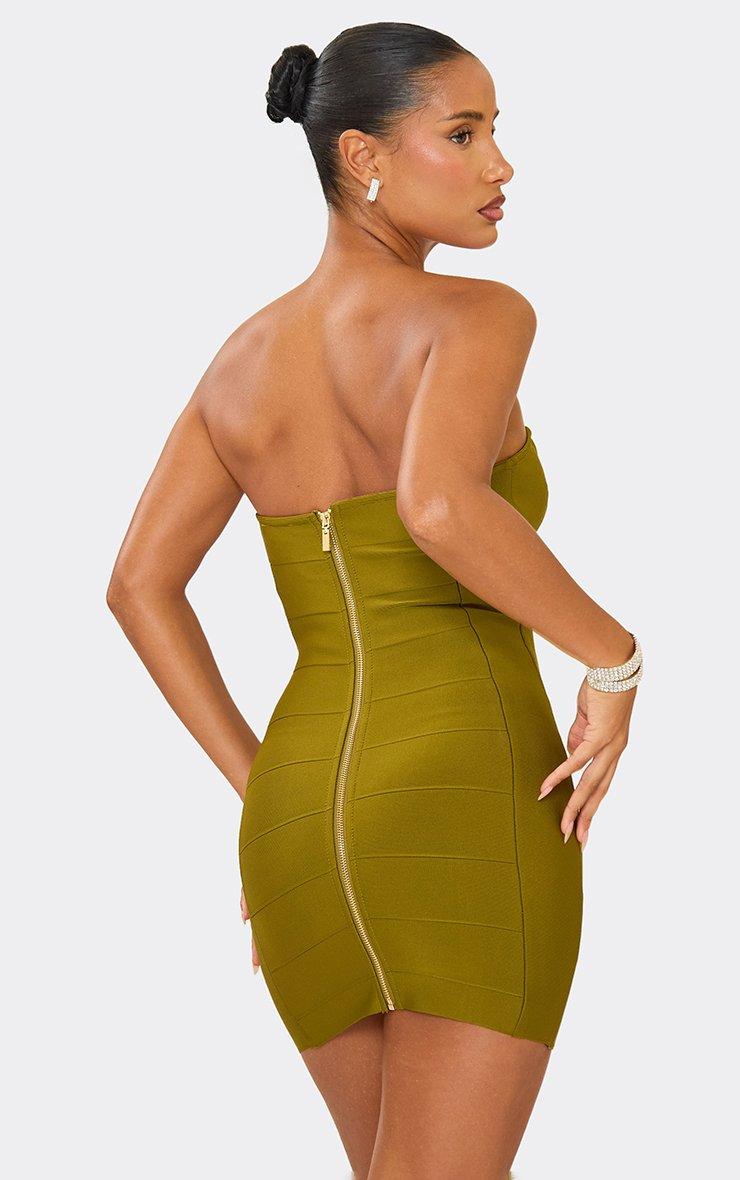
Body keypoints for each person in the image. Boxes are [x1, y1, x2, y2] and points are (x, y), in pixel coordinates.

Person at [107, 21, 642, 1180]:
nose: (500, 163)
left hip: (299, 810)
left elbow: (138, 584)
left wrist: (271, 792)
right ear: (362, 156)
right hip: (461, 787)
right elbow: (437, 506)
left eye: (495, 131)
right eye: (463, 133)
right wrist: (611, 658)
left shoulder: (242, 359)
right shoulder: (476, 317)